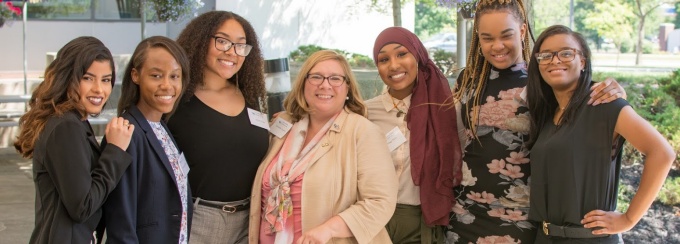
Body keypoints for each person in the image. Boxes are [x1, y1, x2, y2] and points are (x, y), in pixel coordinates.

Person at [446, 0, 628, 243]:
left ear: (522, 31)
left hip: (522, 215)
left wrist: (616, 92)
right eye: (487, 38)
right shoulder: (468, 79)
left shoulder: (544, 79)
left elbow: (585, 105)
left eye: (506, 35)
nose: (497, 46)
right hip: (465, 213)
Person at [526, 25, 674, 243]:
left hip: (590, 239)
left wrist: (629, 219)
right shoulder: (548, 114)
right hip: (545, 237)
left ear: (583, 61)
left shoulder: (604, 105)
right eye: (545, 56)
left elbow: (662, 153)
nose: (555, 60)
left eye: (566, 53)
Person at [248, 50, 398, 244]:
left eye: (335, 78)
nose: (325, 85)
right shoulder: (283, 124)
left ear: (348, 89)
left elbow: (380, 202)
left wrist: (329, 229)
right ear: (303, 83)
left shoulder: (363, 132)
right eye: (316, 77)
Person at [13, 36, 134, 243]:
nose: (99, 89)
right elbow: (82, 206)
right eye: (87, 78)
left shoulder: (73, 121)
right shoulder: (66, 126)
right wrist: (115, 150)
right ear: (67, 78)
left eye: (106, 80)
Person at [167, 11, 269, 243]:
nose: (232, 52)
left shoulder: (250, 97)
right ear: (201, 40)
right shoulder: (176, 100)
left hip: (249, 221)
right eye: (222, 41)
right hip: (197, 220)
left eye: (240, 45)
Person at [367, 26, 461, 244]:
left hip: (422, 223)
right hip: (373, 221)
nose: (394, 65)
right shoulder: (365, 112)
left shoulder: (445, 110)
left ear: (418, 56)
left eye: (402, 54)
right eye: (383, 59)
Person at [102, 36, 192, 243]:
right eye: (156, 76)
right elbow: (120, 222)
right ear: (135, 75)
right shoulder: (125, 133)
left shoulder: (161, 128)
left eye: (174, 76)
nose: (167, 85)